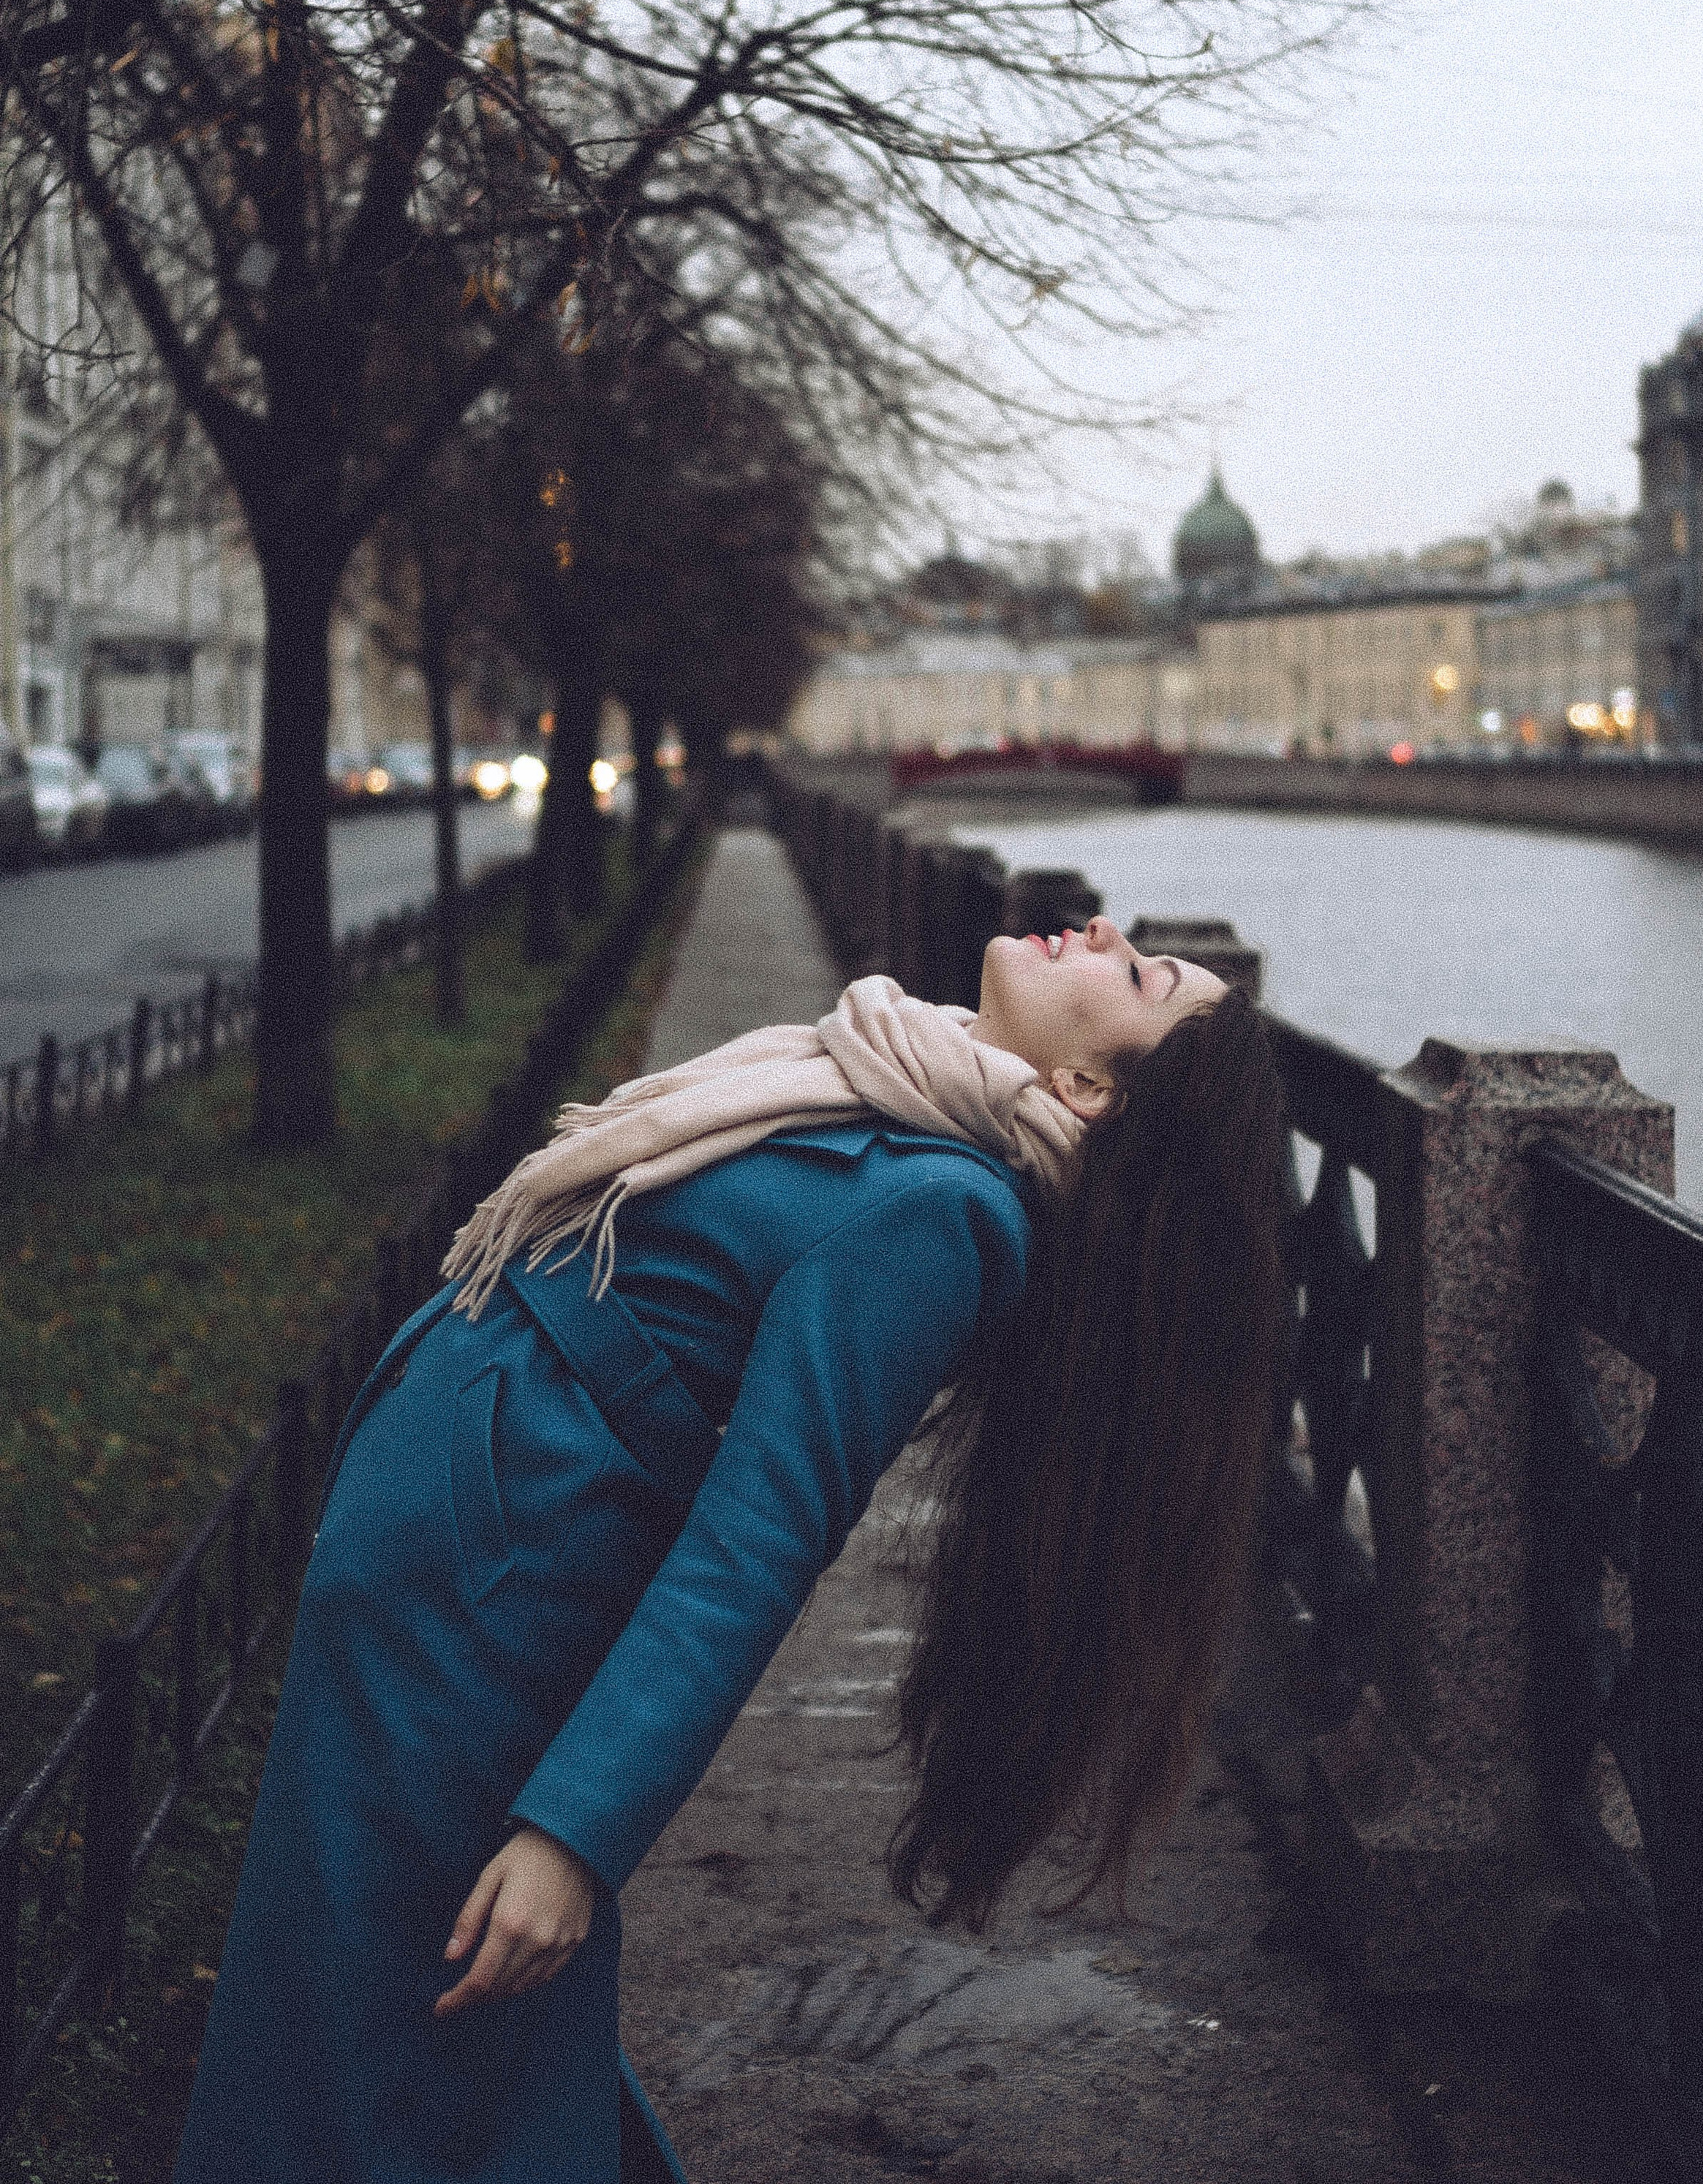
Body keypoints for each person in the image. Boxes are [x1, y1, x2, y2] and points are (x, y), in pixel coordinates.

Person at [173, 915, 1285, 2183]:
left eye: (1135, 976)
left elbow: (762, 1538)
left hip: (493, 1608)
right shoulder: (896, 1090)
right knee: (395, 2028)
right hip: (456, 1568)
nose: (1103, 932)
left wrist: (577, 1835)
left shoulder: (939, 1213)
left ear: (1085, 1090)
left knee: (385, 2041)